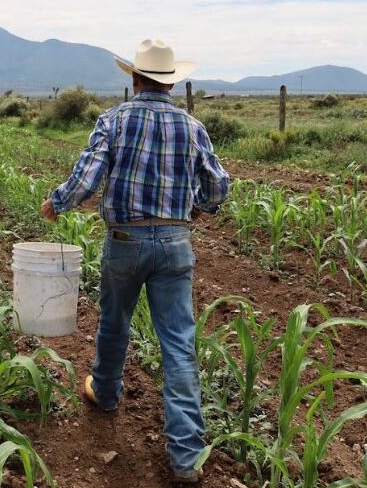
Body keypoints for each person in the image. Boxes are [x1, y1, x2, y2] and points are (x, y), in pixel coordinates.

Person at [40, 39, 229, 485]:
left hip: (125, 239)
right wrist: (198, 205)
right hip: (175, 240)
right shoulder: (193, 126)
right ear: (171, 81)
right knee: (179, 343)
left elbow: (87, 177)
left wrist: (58, 203)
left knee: (115, 321)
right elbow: (219, 186)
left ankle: (105, 394)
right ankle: (186, 458)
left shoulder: (115, 119)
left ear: (134, 76)